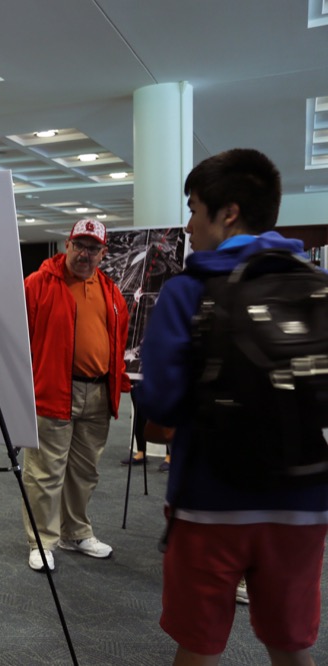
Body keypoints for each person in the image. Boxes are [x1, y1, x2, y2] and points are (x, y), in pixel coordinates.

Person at [135, 148, 328, 665]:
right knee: (290, 645)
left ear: (230, 213)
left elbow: (161, 402)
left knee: (198, 644)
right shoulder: (318, 288)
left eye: (196, 208)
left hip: (210, 499)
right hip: (304, 501)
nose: (190, 224)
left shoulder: (188, 291)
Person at [21, 218, 130, 572]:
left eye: (93, 248)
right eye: (79, 246)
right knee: (45, 471)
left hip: (97, 393)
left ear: (103, 253)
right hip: (53, 389)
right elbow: (17, 339)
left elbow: (119, 340)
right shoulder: (38, 285)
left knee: (85, 472)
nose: (85, 254)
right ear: (67, 245)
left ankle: (75, 533)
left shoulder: (111, 291)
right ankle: (41, 539)